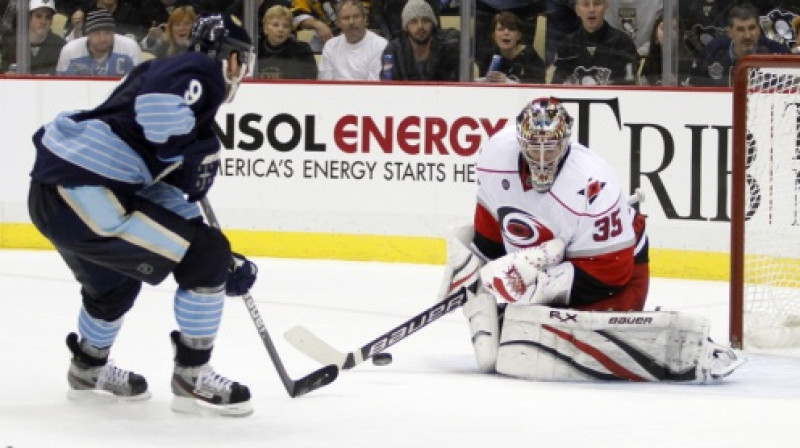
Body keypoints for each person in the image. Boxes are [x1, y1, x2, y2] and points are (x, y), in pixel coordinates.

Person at [28, 13, 258, 416]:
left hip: (61, 195)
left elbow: (157, 193)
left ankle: (88, 367)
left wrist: (218, 261)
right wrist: (193, 149)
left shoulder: (170, 76)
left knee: (116, 281)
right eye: (242, 60)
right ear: (232, 58)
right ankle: (192, 375)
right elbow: (160, 116)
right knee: (205, 254)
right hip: (84, 194)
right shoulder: (202, 70)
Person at [438, 97, 744, 382]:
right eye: (534, 146)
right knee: (505, 341)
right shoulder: (495, 156)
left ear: (567, 141)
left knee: (553, 330)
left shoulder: (593, 181)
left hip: (616, 272)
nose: (543, 158)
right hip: (555, 262)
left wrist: (542, 285)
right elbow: (491, 223)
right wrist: (481, 280)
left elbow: (614, 271)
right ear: (520, 141)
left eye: (552, 147)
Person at [692, 3, 789, 88]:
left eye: (752, 28)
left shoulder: (777, 53)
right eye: (740, 29)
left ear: (759, 29)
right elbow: (696, 88)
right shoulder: (712, 52)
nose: (747, 35)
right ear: (729, 32)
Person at [551, 0, 638, 85]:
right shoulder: (568, 44)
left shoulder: (623, 43)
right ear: (577, 10)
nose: (591, 9)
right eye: (585, 4)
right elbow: (558, 86)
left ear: (606, 8)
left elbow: (628, 87)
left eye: (597, 3)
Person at [379, 0, 458, 81]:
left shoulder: (448, 46)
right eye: (414, 22)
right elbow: (387, 85)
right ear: (406, 27)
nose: (420, 26)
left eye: (426, 20)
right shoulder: (393, 50)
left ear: (433, 24)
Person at [55, 8, 141, 75]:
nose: (102, 39)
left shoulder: (130, 48)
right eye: (97, 33)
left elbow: (139, 83)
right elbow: (60, 85)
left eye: (107, 33)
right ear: (87, 34)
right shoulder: (70, 51)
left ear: (114, 33)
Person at [317, 0, 387, 80]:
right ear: (338, 23)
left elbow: (375, 85)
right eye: (346, 18)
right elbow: (324, 83)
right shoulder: (330, 46)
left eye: (356, 17)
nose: (351, 22)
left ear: (365, 19)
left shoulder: (380, 45)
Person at [476, 10, 546, 83]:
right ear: (494, 36)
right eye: (501, 29)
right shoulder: (489, 56)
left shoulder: (531, 58)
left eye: (511, 29)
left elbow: (538, 87)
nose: (506, 33)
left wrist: (508, 82)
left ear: (518, 36)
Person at [0, 0, 66, 74]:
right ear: (28, 18)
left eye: (48, 17)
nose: (43, 22)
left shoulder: (60, 45)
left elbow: (64, 74)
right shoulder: (11, 43)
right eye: (38, 16)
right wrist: (7, 75)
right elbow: (3, 70)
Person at [257, 4, 317, 79]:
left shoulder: (301, 50)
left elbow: (311, 79)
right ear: (265, 28)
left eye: (286, 26)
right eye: (275, 25)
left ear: (290, 31)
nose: (281, 30)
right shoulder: (255, 49)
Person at [370, 0, 440, 40]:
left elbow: (434, 17)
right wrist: (388, 39)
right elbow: (377, 15)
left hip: (423, 38)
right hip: (393, 35)